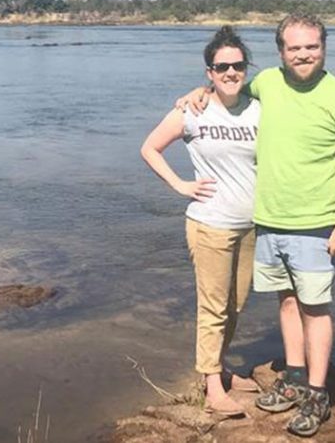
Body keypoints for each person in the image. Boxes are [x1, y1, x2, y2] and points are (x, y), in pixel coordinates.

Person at [179, 13, 335, 437]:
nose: (303, 54)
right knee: (287, 302)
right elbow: (227, 88)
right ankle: (295, 378)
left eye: (311, 46)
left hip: (317, 222)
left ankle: (317, 394)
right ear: (281, 51)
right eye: (294, 47)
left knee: (315, 309)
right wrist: (198, 91)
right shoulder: (267, 83)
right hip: (269, 222)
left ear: (324, 47)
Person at [140, 26, 262, 416]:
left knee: (236, 304)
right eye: (221, 67)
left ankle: (220, 368)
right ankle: (211, 387)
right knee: (213, 307)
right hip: (210, 223)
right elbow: (150, 147)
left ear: (246, 68)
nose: (230, 72)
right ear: (209, 72)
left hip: (251, 225)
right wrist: (180, 184)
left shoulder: (258, 105)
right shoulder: (192, 109)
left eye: (237, 65)